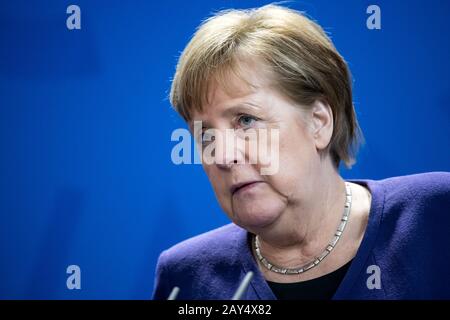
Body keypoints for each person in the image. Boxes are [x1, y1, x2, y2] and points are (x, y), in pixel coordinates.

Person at [152, 4, 450, 299]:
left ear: (319, 123)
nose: (222, 155)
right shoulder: (185, 277)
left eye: (246, 120)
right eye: (205, 136)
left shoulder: (435, 216)